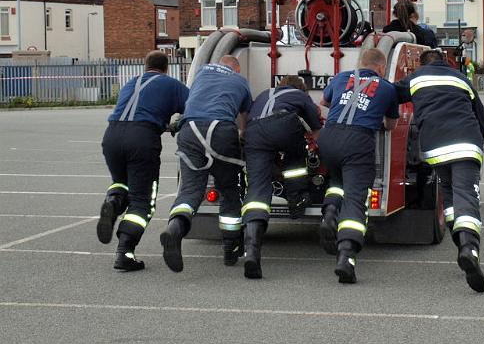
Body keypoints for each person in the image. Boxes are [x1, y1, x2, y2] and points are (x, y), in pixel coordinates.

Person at [395, 49, 484, 293]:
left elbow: (390, 94)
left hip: (436, 149)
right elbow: (480, 115)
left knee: (448, 195)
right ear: (445, 63)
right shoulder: (461, 79)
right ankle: (469, 248)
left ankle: (459, 243)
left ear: (421, 64)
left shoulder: (415, 79)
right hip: (466, 143)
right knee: (466, 194)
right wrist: (481, 139)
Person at [97, 51, 189, 271]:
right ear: (166, 68)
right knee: (142, 200)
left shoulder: (131, 82)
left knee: (120, 182)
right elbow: (195, 106)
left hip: (112, 136)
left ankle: (112, 203)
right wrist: (176, 124)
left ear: (145, 66)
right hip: (142, 138)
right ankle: (124, 253)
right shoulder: (171, 85)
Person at [160, 55, 252, 272]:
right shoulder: (240, 82)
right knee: (229, 189)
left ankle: (175, 228)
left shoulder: (202, 72)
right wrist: (243, 137)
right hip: (221, 130)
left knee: (190, 191)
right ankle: (230, 249)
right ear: (236, 69)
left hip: (189, 129)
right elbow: (244, 116)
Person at [317, 48, 399, 284]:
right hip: (358, 141)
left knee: (336, 180)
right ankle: (346, 256)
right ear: (381, 68)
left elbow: (324, 101)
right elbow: (391, 125)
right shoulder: (387, 87)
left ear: (361, 63)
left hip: (329, 137)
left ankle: (330, 214)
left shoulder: (342, 77)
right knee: (355, 198)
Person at [240, 75, 321, 279]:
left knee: (257, 189)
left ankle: (251, 252)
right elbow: (316, 132)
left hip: (254, 131)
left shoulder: (264, 93)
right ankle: (296, 198)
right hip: (283, 125)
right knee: (296, 154)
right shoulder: (300, 96)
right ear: (302, 89)